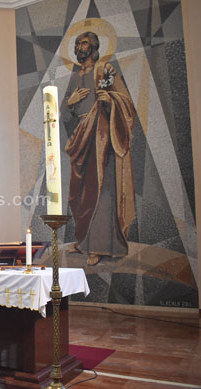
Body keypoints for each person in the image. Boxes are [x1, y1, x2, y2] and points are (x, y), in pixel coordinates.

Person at [62, 31, 136, 266]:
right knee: (79, 193)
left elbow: (127, 103)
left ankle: (100, 245)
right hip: (80, 137)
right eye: (77, 43)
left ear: (93, 47)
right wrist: (70, 104)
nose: (79, 46)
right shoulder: (75, 76)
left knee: (100, 190)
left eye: (84, 43)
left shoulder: (105, 69)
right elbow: (64, 115)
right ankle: (84, 241)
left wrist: (110, 100)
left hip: (102, 136)